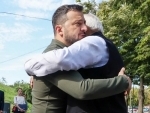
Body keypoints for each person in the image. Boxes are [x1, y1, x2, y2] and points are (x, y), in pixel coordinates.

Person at [25, 5, 131, 113]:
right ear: (60, 30)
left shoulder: (68, 58)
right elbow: (82, 90)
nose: (85, 28)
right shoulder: (53, 57)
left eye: (84, 23)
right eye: (78, 24)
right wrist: (123, 82)